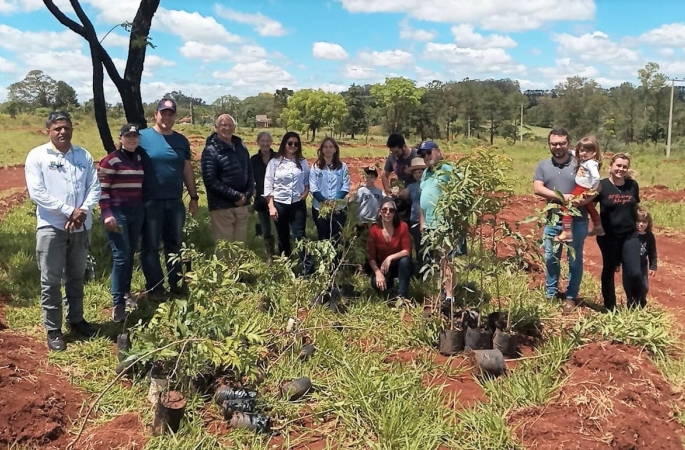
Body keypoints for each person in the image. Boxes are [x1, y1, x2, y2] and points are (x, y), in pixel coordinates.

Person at [24, 111, 101, 351]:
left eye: (66, 127)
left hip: (80, 226)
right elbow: (37, 193)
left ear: (72, 129)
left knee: (76, 277)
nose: (62, 132)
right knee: (51, 279)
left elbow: (94, 187)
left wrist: (83, 210)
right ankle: (54, 329)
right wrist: (69, 211)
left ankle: (76, 320)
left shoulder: (83, 155)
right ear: (48, 131)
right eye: (57, 128)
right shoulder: (38, 156)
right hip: (52, 227)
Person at [139, 97, 199, 299]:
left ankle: (176, 283)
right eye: (163, 113)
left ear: (174, 116)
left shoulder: (181, 141)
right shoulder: (142, 137)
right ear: (155, 114)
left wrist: (193, 196)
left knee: (174, 244)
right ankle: (155, 288)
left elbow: (186, 169)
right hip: (150, 201)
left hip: (174, 201)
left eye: (170, 113)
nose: (166, 117)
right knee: (151, 246)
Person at [533, 127, 592, 314]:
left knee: (574, 260)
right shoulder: (543, 165)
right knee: (551, 257)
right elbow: (538, 188)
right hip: (552, 220)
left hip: (578, 220)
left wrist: (579, 200)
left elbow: (592, 188)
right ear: (549, 145)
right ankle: (551, 293)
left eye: (562, 143)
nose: (558, 147)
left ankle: (570, 297)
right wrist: (563, 197)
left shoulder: (580, 164)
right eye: (554, 144)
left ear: (569, 144)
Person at [98, 124, 145, 323]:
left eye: (135, 136)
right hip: (117, 214)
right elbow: (102, 190)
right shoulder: (111, 160)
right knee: (121, 256)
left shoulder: (140, 158)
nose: (132, 139)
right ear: (120, 138)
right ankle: (117, 303)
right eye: (128, 136)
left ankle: (126, 294)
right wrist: (107, 213)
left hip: (136, 212)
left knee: (130, 255)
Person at [595, 153, 646, 310]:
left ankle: (637, 305)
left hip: (629, 235)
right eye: (618, 165)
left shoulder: (632, 185)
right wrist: (595, 222)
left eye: (624, 166)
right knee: (609, 271)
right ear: (610, 166)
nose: (621, 169)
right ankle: (610, 307)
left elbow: (634, 207)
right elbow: (588, 203)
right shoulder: (601, 185)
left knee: (635, 272)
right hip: (608, 237)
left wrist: (644, 226)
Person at [418, 141, 465, 303]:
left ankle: (450, 295)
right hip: (430, 224)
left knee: (447, 259)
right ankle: (442, 291)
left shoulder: (449, 169)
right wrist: (422, 221)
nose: (426, 157)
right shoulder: (426, 173)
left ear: (438, 151)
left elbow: (461, 193)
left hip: (445, 224)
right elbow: (422, 198)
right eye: (422, 155)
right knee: (437, 260)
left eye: (428, 153)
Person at [264, 131, 313, 276]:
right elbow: (268, 185)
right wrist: (271, 206)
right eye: (290, 143)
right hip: (279, 204)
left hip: (297, 204)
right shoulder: (274, 162)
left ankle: (307, 271)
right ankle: (287, 268)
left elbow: (307, 182)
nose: (292, 146)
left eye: (296, 144)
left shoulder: (302, 162)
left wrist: (305, 194)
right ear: (284, 144)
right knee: (283, 237)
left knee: (300, 236)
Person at [201, 114, 254, 246]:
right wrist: (235, 195)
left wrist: (247, 195)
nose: (227, 128)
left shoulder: (241, 147)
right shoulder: (211, 150)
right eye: (223, 125)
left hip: (242, 205)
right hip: (221, 207)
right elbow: (210, 181)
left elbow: (249, 172)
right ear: (216, 127)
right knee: (225, 247)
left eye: (230, 125)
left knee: (240, 247)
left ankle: (238, 268)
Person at [558, 136, 604, 242]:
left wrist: (592, 189)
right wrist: (568, 150)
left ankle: (567, 231)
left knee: (567, 206)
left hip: (583, 188)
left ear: (594, 152)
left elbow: (596, 177)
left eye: (588, 151)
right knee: (589, 207)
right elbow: (575, 153)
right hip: (583, 188)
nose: (584, 153)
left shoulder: (591, 163)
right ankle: (598, 226)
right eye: (582, 150)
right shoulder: (585, 160)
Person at [366, 197, 413, 301]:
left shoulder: (402, 226)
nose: (387, 213)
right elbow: (371, 256)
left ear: (395, 213)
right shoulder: (374, 230)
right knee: (376, 283)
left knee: (405, 261)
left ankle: (402, 296)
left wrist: (390, 257)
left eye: (391, 210)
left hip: (399, 265)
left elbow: (407, 250)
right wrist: (378, 273)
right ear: (379, 212)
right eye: (384, 210)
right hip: (383, 268)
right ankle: (389, 285)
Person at [309, 137, 350, 246]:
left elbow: (345, 186)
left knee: (337, 237)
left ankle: (337, 262)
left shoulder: (343, 167)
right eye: (325, 147)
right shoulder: (315, 167)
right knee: (323, 237)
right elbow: (313, 188)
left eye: (331, 147)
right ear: (321, 150)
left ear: (335, 149)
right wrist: (325, 202)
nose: (328, 149)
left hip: (339, 209)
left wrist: (335, 201)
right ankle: (325, 261)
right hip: (320, 207)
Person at [251, 131, 277, 262]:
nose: (265, 143)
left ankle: (284, 254)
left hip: (277, 199)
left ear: (271, 142)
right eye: (262, 141)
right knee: (266, 229)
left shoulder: (278, 158)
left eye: (267, 141)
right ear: (258, 142)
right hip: (261, 200)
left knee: (280, 228)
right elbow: (250, 179)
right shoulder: (254, 160)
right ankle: (270, 256)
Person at [382, 133, 418, 223]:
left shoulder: (416, 155)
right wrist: (388, 191)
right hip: (401, 196)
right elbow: (384, 175)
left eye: (397, 152)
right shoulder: (392, 158)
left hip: (416, 196)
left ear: (404, 146)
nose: (395, 155)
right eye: (392, 152)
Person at [401, 157, 427, 270]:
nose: (417, 175)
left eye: (420, 172)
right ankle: (422, 268)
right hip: (415, 219)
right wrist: (397, 192)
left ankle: (432, 268)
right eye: (415, 173)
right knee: (418, 245)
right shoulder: (411, 186)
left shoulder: (429, 184)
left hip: (428, 219)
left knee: (430, 245)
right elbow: (404, 194)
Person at [350, 166, 383, 234]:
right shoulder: (361, 190)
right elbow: (356, 204)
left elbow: (385, 200)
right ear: (363, 178)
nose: (369, 179)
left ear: (375, 178)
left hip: (373, 221)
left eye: (372, 177)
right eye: (367, 177)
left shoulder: (379, 192)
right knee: (360, 238)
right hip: (362, 221)